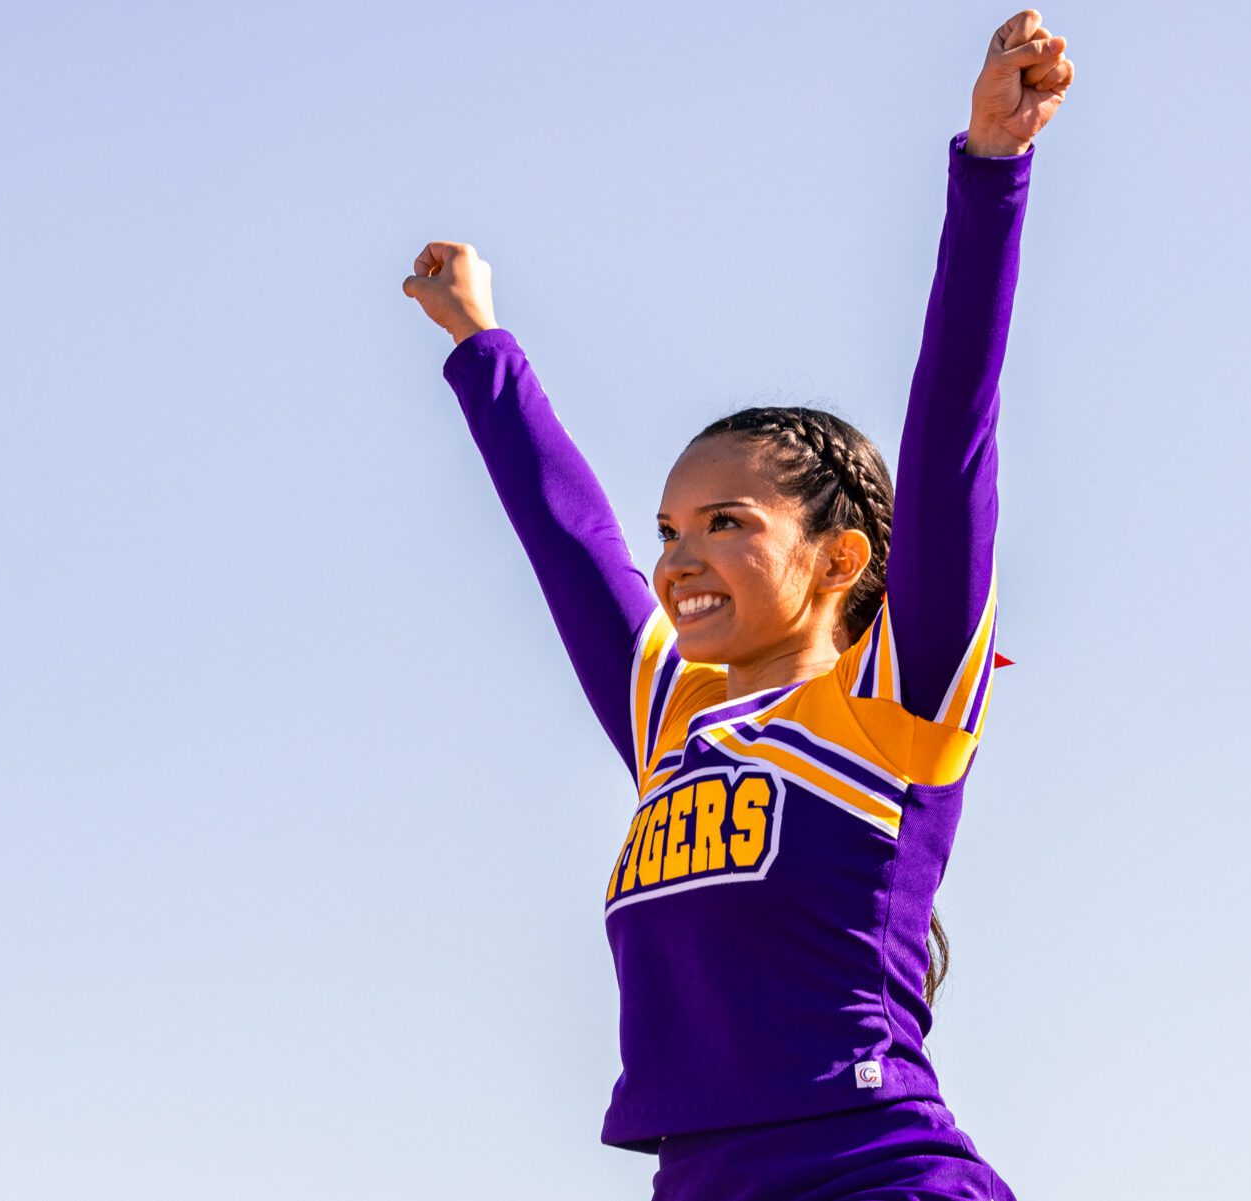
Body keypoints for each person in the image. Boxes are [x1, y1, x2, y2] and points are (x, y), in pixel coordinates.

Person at [400, 10, 1074, 1200]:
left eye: (726, 524)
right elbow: (571, 545)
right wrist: (480, 345)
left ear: (836, 557)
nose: (678, 559)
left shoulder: (892, 702)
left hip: (875, 1171)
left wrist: (991, 171)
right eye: (671, 528)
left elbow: (955, 417)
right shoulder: (674, 719)